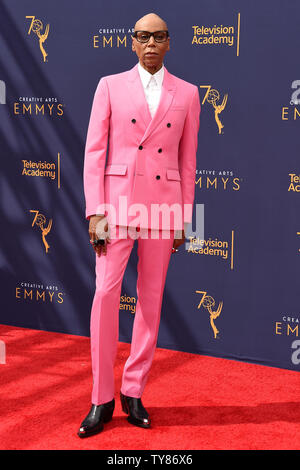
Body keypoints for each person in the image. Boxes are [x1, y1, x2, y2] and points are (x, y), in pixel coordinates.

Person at [78, 12, 200, 438]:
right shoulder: (109, 86)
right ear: (132, 42)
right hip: (116, 207)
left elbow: (189, 160)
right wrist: (95, 212)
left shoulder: (188, 93)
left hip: (163, 208)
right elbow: (94, 152)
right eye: (143, 36)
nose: (150, 43)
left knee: (150, 300)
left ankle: (134, 391)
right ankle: (101, 398)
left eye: (159, 36)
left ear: (170, 43)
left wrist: (185, 217)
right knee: (105, 295)